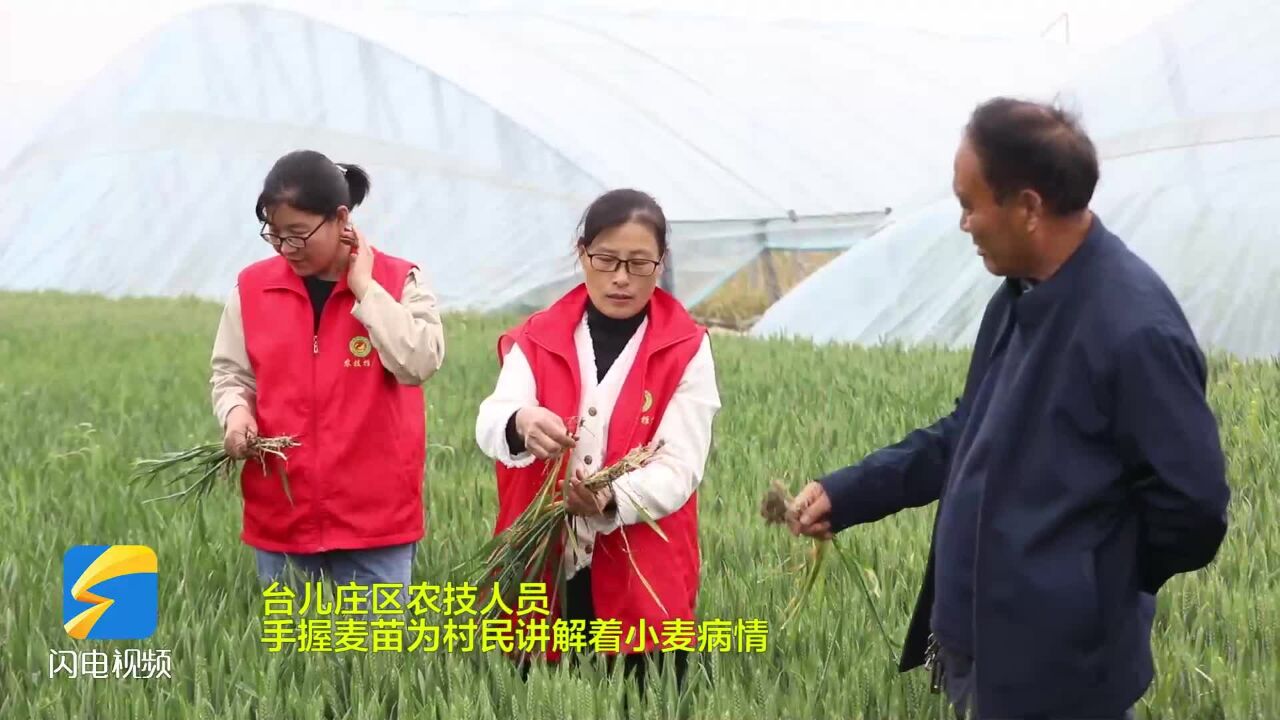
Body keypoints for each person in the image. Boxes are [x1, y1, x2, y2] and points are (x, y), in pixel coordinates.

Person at [789, 98, 1230, 719]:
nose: (964, 223)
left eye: (970, 204)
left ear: (1027, 207)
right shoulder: (1019, 296)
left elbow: (1194, 508)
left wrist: (1082, 585)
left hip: (1062, 680)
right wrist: (850, 492)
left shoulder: (1133, 329)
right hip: (984, 659)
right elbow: (969, 434)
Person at [475, 188, 721, 694]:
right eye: (606, 259)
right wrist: (521, 422)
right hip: (544, 564)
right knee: (540, 694)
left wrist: (612, 497)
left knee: (641, 694)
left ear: (661, 263)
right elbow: (491, 420)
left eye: (639, 262)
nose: (622, 278)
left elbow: (681, 464)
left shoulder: (687, 349)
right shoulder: (536, 338)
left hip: (642, 571)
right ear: (581, 254)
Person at [210, 149, 445, 593]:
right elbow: (231, 375)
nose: (286, 248)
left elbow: (420, 362)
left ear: (341, 218)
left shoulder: (400, 280)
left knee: (375, 660)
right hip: (283, 520)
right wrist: (236, 414)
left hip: (376, 525)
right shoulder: (253, 288)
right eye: (275, 235)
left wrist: (366, 290)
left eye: (298, 234)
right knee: (291, 661)